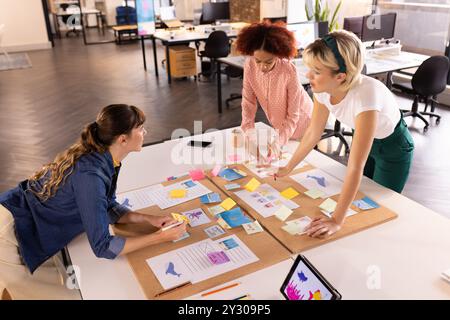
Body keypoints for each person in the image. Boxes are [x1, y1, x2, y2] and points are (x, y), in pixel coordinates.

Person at [0, 104, 186, 299]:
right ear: (123, 139)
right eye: (140, 128)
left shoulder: (104, 158)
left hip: (24, 221)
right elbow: (103, 246)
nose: (145, 132)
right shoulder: (91, 175)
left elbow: (107, 205)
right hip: (9, 233)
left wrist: (152, 221)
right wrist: (160, 237)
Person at [277, 30, 414, 239]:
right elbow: (314, 132)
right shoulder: (322, 89)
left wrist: (336, 220)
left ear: (340, 76)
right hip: (366, 140)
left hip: (393, 147)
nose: (308, 75)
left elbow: (355, 166)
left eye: (316, 71)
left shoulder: (366, 97)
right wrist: (289, 167)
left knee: (379, 206)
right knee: (361, 197)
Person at [234, 22, 313, 160]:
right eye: (258, 61)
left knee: (300, 165)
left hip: (304, 123)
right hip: (280, 126)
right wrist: (249, 133)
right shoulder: (249, 66)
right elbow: (248, 103)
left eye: (268, 62)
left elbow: (293, 115)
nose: (262, 66)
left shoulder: (288, 70)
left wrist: (278, 142)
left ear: (278, 54)